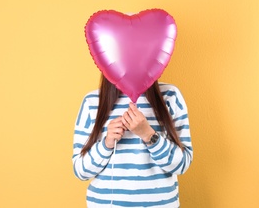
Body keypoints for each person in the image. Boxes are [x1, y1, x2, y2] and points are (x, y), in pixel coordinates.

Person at [72, 74, 193, 207]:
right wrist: (107, 144)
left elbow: (182, 164)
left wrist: (148, 135)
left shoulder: (170, 96)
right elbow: (80, 170)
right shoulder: (92, 101)